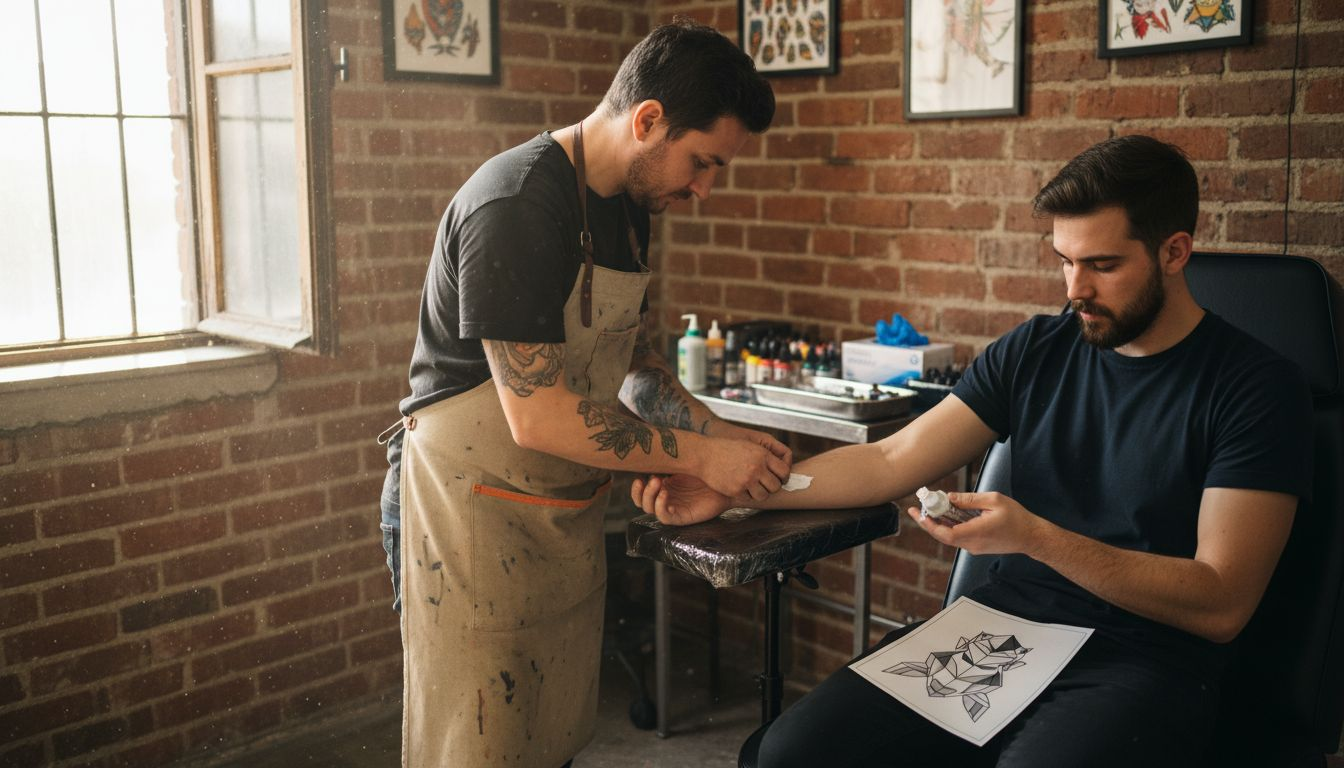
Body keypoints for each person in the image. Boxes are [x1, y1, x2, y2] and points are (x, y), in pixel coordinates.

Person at [631, 135, 1314, 767]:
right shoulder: (1039, 349)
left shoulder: (1255, 389)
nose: (1075, 289)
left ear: (1174, 252)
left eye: (1103, 266)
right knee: (790, 754)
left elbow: (1223, 602)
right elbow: (890, 461)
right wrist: (742, 491)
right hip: (1006, 631)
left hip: (1145, 657)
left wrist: (1038, 538)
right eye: (1065, 261)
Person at [379, 18, 790, 768]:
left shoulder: (630, 206)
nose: (704, 188)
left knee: (550, 739)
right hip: (466, 511)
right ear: (647, 120)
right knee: (473, 745)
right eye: (702, 162)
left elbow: (634, 362)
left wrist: (715, 435)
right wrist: (698, 458)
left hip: (556, 511)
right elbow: (536, 414)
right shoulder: (517, 205)